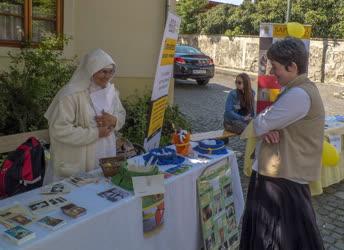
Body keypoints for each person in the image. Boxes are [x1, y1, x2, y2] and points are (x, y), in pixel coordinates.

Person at [240, 38, 325, 249]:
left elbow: (259, 123)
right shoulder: (298, 89)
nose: (272, 72)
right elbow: (265, 121)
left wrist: (265, 125)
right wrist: (267, 125)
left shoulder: (298, 94)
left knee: (277, 239)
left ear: (292, 66)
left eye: (275, 67)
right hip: (282, 178)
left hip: (282, 182)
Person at [44, 49, 126, 181]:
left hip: (105, 154)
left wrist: (114, 120)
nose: (107, 76)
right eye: (103, 71)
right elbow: (59, 129)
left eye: (111, 71)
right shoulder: (71, 94)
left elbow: (121, 115)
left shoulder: (111, 92)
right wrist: (96, 133)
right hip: (77, 161)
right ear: (91, 69)